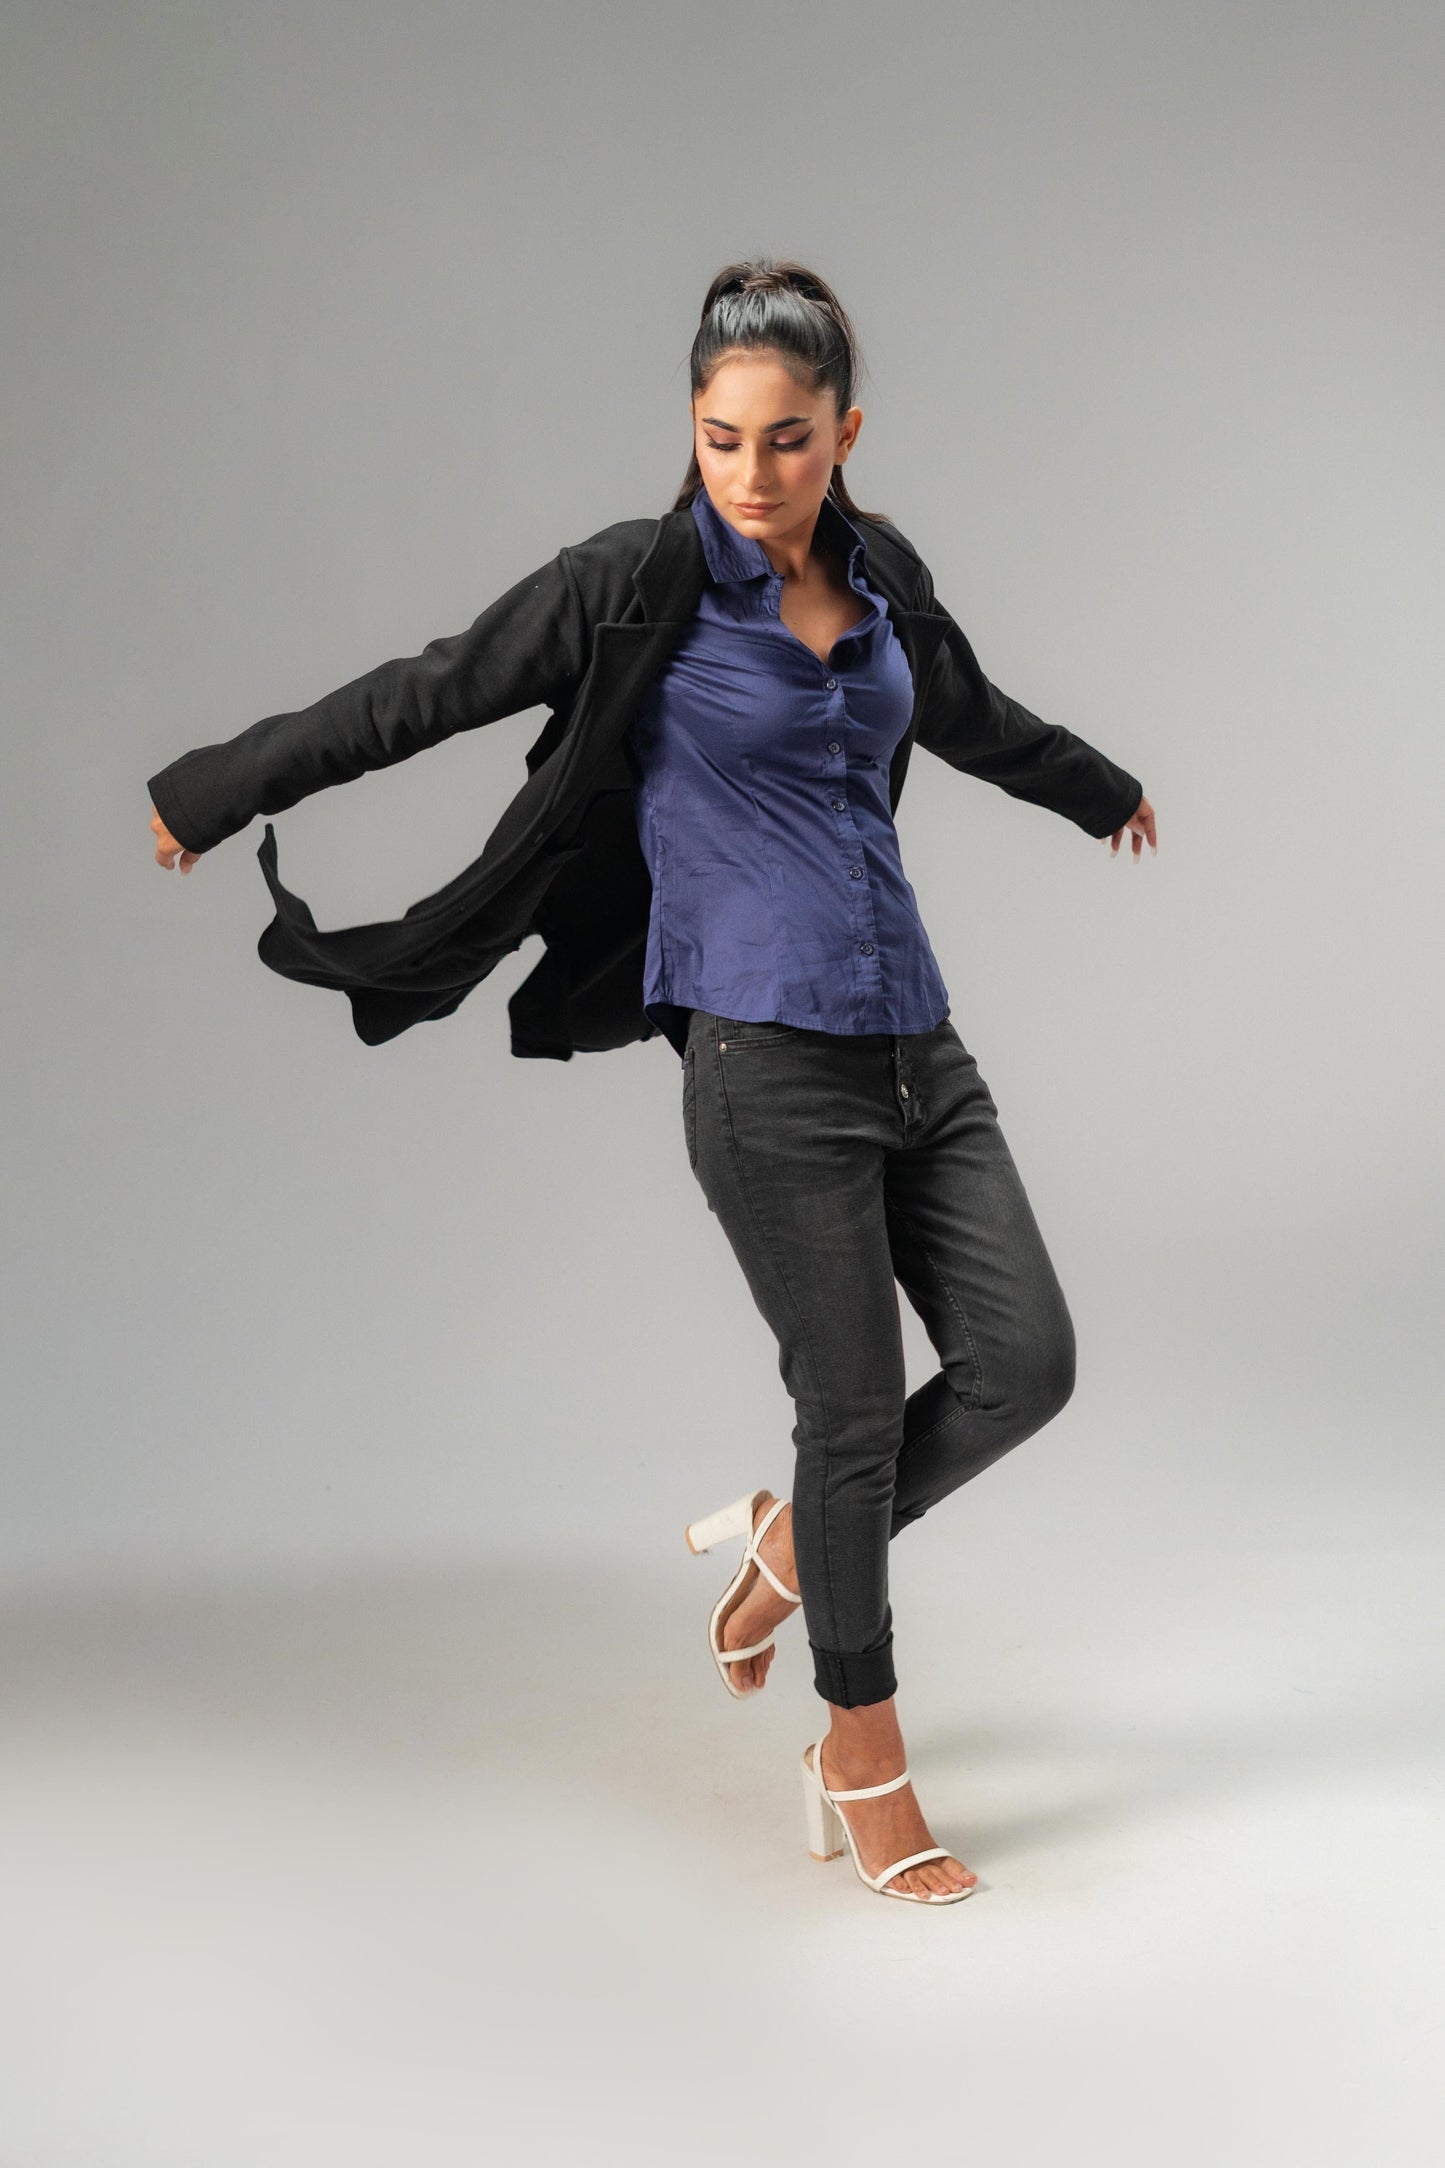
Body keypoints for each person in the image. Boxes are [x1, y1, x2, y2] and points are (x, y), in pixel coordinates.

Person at [149, 256, 1157, 1908]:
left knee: (1024, 1365)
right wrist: (214, 788)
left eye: (786, 441)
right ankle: (861, 1752)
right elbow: (423, 691)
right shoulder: (632, 587)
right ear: (690, 428)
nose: (750, 475)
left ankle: (790, 1546)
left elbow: (966, 712)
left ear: (844, 434)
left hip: (917, 1043)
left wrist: (1098, 787)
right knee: (850, 1415)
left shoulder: (885, 577)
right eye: (719, 439)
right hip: (764, 1065)